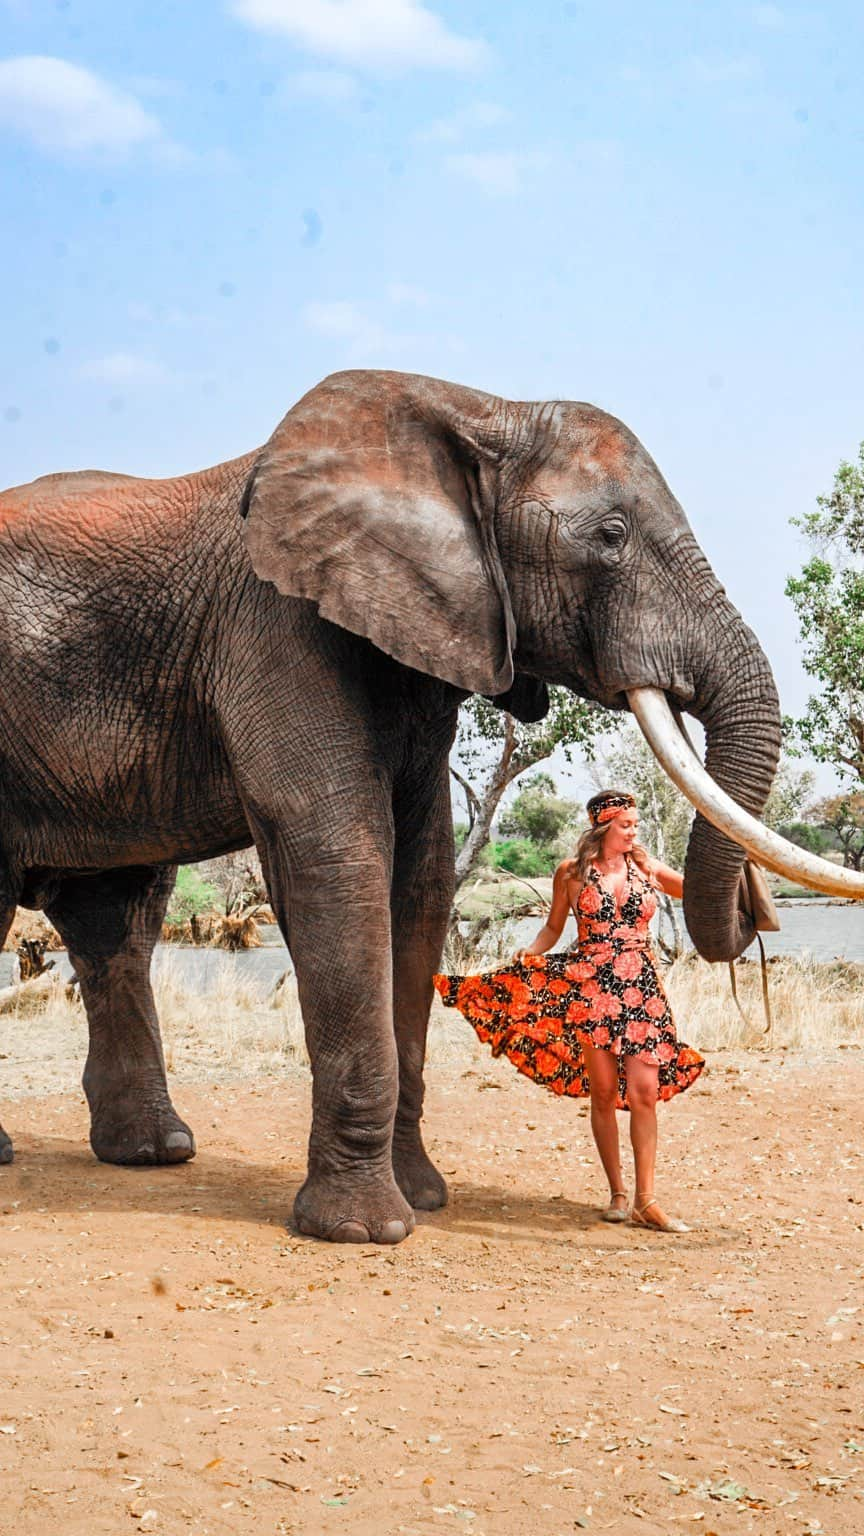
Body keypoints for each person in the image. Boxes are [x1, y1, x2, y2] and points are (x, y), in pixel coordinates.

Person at [433, 790, 704, 1233]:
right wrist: (531, 951)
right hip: (592, 987)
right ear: (603, 828)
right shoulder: (572, 873)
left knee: (644, 1093)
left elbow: (698, 892)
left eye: (635, 824)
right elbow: (554, 927)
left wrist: (740, 881)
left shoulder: (646, 866)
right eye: (626, 825)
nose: (634, 831)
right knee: (601, 1091)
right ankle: (618, 1193)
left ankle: (646, 1200)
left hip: (642, 989)